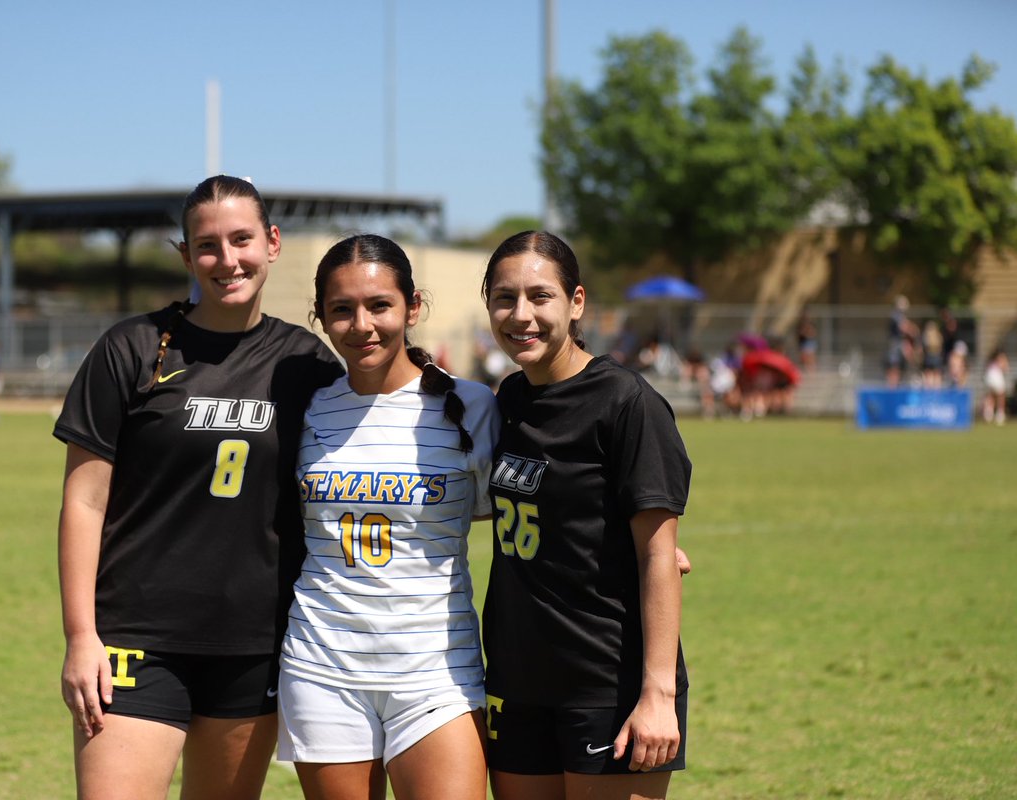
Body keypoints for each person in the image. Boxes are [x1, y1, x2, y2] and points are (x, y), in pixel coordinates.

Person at [53, 175, 343, 800]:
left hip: (254, 643)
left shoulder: (308, 364)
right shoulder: (130, 349)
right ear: (186, 255)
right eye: (207, 245)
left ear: (272, 243)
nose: (227, 259)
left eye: (242, 240)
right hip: (136, 637)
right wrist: (81, 637)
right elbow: (83, 501)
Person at [277, 234, 498, 800]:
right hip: (321, 665)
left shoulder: (473, 406)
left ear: (413, 307)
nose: (362, 324)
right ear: (321, 317)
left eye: (379, 305)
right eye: (342, 309)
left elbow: (533, 509)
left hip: (437, 671)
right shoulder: (306, 406)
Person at [480, 231, 691, 800]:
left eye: (539, 296)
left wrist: (658, 696)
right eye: (504, 298)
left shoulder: (627, 404)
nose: (520, 315)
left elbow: (657, 554)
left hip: (608, 682)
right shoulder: (509, 400)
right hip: (516, 680)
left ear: (576, 303)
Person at [982, 348, 1009, 425]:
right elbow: (1005, 367)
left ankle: (988, 414)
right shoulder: (1001, 357)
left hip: (989, 375)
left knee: (991, 395)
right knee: (1001, 394)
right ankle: (1000, 414)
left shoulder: (991, 361)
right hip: (996, 374)